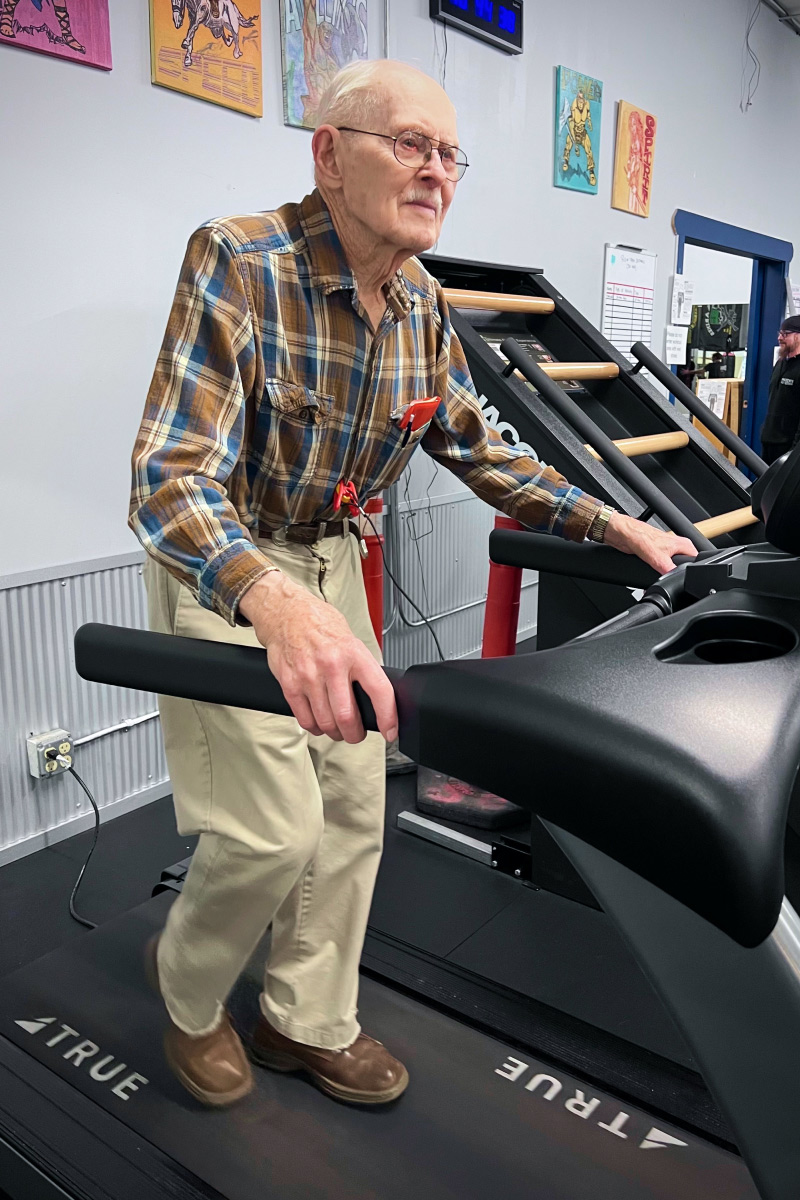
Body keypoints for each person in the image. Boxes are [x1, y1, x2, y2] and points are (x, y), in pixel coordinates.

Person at [129, 58, 696, 1111]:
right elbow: (168, 479)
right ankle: (190, 994)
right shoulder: (238, 259)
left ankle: (305, 1019)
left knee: (350, 807)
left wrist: (619, 523)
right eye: (408, 144)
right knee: (268, 828)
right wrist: (274, 601)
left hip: (331, 557)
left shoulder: (424, 307)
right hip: (231, 567)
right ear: (328, 155)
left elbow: (487, 455)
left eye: (448, 154)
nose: (436, 172)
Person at [760, 316, 800, 464]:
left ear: (798, 336)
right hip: (769, 440)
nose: (779, 338)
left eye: (785, 334)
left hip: (789, 447)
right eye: (780, 333)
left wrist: (795, 451)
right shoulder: (780, 363)